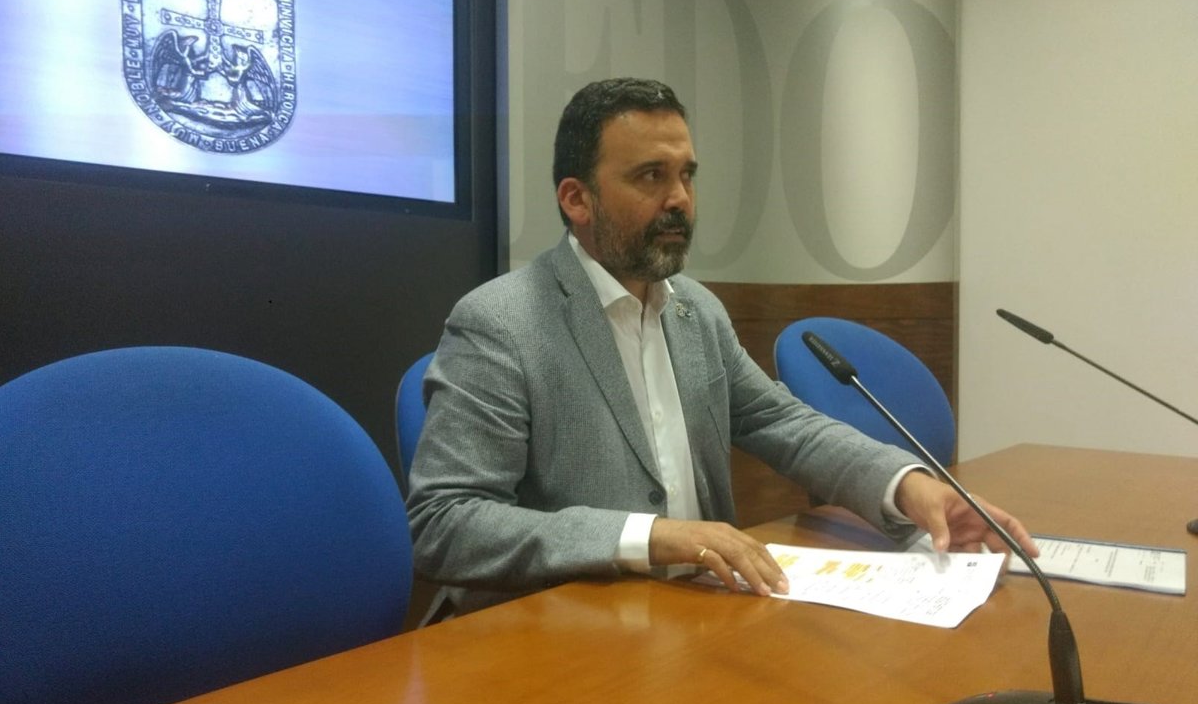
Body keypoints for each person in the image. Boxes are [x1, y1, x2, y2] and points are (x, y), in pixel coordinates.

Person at [407, 77, 1037, 619]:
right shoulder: (501, 324)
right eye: (650, 176)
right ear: (577, 199)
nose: (679, 200)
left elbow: (786, 425)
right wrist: (651, 538)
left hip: (698, 616)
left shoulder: (695, 310)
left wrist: (910, 487)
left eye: (686, 175)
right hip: (563, 633)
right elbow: (447, 523)